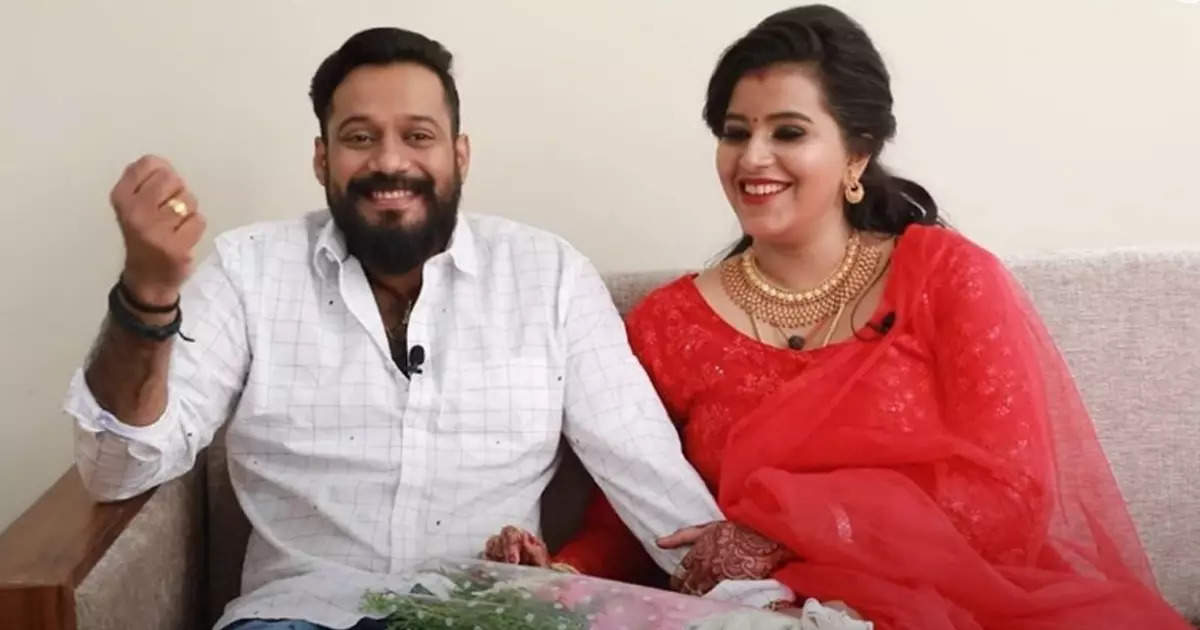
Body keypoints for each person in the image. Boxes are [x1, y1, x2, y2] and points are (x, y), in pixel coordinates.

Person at [486, 5, 1193, 628]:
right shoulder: (670, 324)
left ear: (857, 153)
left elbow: (1010, 500)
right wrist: (562, 574)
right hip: (763, 615)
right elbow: (638, 517)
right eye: (735, 132)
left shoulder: (946, 279)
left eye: (788, 132)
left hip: (970, 604)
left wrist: (784, 537)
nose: (753, 158)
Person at [64, 27, 792, 630]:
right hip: (299, 615)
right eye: (359, 137)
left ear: (459, 154)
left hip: (488, 614)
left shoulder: (548, 276)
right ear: (321, 158)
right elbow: (119, 468)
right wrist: (147, 296)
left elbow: (641, 467)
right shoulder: (248, 270)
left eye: (418, 136)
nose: (390, 161)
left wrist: (758, 606)